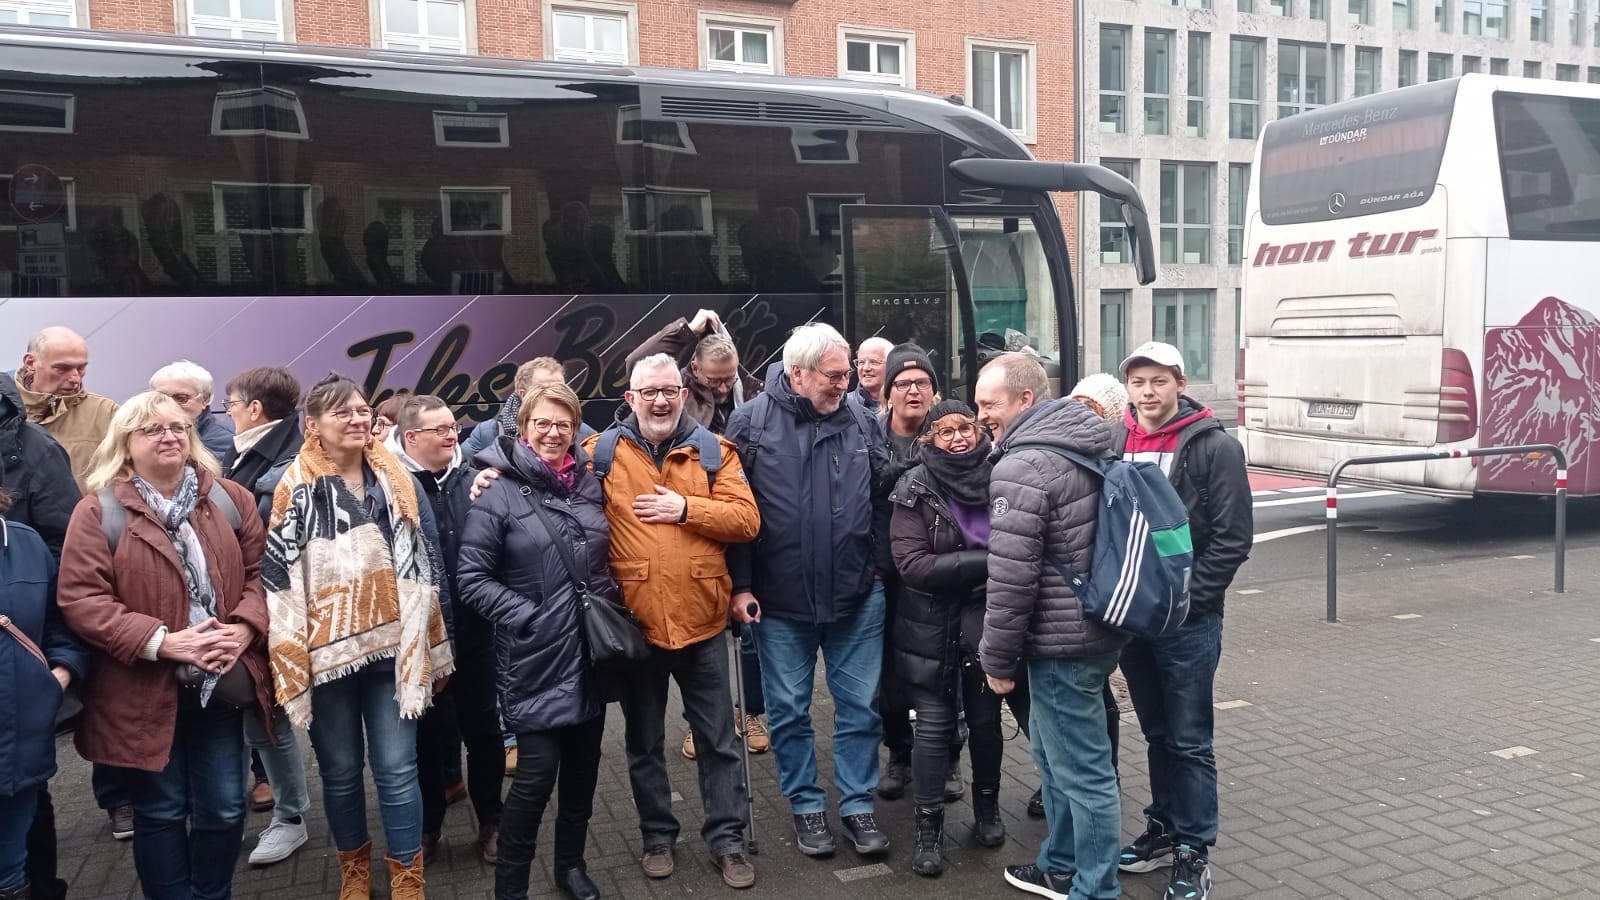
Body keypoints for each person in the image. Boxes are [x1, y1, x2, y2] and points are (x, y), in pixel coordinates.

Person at [56, 391, 273, 900]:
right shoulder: (98, 511)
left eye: (178, 427)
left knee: (225, 808)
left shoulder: (229, 498)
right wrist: (162, 642)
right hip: (142, 689)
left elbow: (263, 574)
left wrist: (245, 628)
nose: (169, 436)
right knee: (161, 810)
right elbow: (82, 599)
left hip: (219, 680)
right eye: (152, 429)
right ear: (125, 443)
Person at [262, 374, 455, 900]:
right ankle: (354, 871)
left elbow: (430, 565)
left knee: (397, 769)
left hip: (397, 649)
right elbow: (280, 577)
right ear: (312, 425)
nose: (357, 419)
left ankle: (407, 875)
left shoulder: (398, 479)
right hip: (327, 656)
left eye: (362, 410)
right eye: (342, 412)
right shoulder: (291, 488)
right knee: (341, 772)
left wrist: (440, 648)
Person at [586, 355, 761, 889]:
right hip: (636, 626)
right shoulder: (600, 453)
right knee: (643, 743)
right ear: (631, 397)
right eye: (648, 392)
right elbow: (542, 471)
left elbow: (746, 521)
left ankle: (728, 841)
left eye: (668, 390)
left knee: (718, 741)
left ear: (683, 394)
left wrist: (685, 508)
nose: (659, 401)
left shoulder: (715, 451)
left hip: (703, 621)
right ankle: (657, 836)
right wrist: (491, 473)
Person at [725, 323, 891, 859]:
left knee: (860, 708)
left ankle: (858, 804)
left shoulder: (861, 419)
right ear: (797, 374)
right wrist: (741, 586)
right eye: (834, 375)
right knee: (789, 711)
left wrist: (878, 569)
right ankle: (806, 805)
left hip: (856, 596)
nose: (846, 384)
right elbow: (735, 513)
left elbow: (883, 498)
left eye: (848, 374)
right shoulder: (750, 423)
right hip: (779, 602)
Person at [976, 353, 1125, 900]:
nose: (981, 415)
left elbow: (1011, 578)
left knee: (1083, 773)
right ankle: (1061, 864)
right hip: (1095, 627)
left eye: (989, 404)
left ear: (1025, 400)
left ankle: (1095, 888)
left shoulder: (1023, 465)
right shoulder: (1088, 441)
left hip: (1062, 643)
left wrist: (996, 660)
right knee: (1052, 756)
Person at [457, 383, 610, 900]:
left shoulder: (589, 483)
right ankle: (511, 887)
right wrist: (528, 616)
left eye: (563, 424)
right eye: (542, 422)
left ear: (576, 430)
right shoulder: (495, 489)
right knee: (535, 778)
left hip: (589, 652)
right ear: (522, 427)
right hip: (534, 654)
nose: (552, 432)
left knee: (584, 771)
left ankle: (571, 866)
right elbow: (471, 578)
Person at [1112, 343, 1252, 900]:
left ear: (1180, 384)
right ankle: (1164, 828)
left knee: (1190, 739)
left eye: (1158, 381)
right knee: (1156, 732)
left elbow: (1232, 538)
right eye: (1138, 382)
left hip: (1188, 623)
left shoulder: (1214, 447)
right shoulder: (1116, 440)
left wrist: (1190, 601)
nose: (1147, 392)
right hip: (1135, 618)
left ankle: (1194, 848)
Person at [889, 399, 1032, 877]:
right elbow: (914, 566)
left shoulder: (1001, 475)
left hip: (989, 622)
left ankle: (987, 812)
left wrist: (982, 571)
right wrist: (991, 564)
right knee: (933, 726)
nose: (957, 438)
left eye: (964, 428)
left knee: (986, 722)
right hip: (930, 625)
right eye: (945, 431)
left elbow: (1025, 541)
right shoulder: (914, 485)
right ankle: (928, 829)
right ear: (929, 439)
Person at [387, 395, 505, 865]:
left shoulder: (477, 479)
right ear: (411, 437)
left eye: (452, 426)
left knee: (484, 730)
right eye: (439, 429)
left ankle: (492, 821)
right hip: (418, 637)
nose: (451, 434)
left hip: (475, 629)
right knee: (426, 737)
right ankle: (429, 826)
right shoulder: (387, 484)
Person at [217, 366, 314, 865]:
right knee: (248, 715)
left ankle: (291, 817)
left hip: (268, 607)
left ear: (254, 409)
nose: (226, 413)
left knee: (266, 716)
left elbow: (267, 543)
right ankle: (228, 816)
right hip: (244, 604)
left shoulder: (283, 459)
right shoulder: (242, 453)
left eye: (230, 404)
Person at [0, 375, 81, 900]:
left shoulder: (25, 543)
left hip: (21, 708)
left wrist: (58, 675)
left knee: (23, 839)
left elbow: (61, 594)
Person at [873, 344, 961, 804]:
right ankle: (900, 755)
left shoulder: (949, 432)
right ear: (887, 392)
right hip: (885, 576)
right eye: (903, 383)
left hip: (938, 576)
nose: (913, 390)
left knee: (944, 669)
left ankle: (950, 757)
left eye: (922, 382)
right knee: (889, 673)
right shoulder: (868, 436)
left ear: (933, 390)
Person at [6, 327, 119, 494]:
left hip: (82, 511)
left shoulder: (106, 413)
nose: (75, 378)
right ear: (30, 363)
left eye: (81, 368)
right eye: (62, 368)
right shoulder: (4, 409)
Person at [624, 308, 760, 434]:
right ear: (695, 369)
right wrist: (687, 331)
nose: (723, 388)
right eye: (714, 381)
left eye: (729, 379)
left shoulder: (755, 392)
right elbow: (636, 365)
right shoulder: (679, 389)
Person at [462, 359, 596, 460]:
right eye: (545, 390)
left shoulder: (584, 434)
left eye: (561, 389)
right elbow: (462, 473)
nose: (556, 395)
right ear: (523, 394)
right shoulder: (488, 433)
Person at [150, 361, 235, 461]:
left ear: (205, 399)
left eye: (180, 398)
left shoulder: (226, 442)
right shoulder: (142, 434)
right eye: (161, 398)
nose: (170, 404)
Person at [851, 337, 893, 413]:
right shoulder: (845, 406)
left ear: (891, 365)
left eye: (874, 362)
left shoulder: (903, 404)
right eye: (861, 362)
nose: (866, 368)